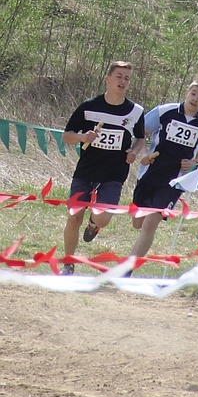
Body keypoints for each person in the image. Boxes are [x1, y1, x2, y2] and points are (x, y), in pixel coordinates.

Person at [60, 61, 145, 275]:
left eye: (126, 78)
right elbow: (67, 136)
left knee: (103, 219)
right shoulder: (89, 106)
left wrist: (134, 152)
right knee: (73, 217)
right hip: (86, 170)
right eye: (119, 76)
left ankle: (94, 223)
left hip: (114, 174)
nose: (123, 81)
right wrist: (82, 136)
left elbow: (141, 138)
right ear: (108, 79)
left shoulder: (135, 111)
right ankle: (68, 265)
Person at [128, 80, 198, 268]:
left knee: (151, 224)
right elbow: (141, 132)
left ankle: (127, 269)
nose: (195, 99)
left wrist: (194, 163)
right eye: (193, 94)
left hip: (175, 181)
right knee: (138, 222)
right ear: (186, 92)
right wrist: (144, 154)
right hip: (150, 173)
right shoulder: (164, 111)